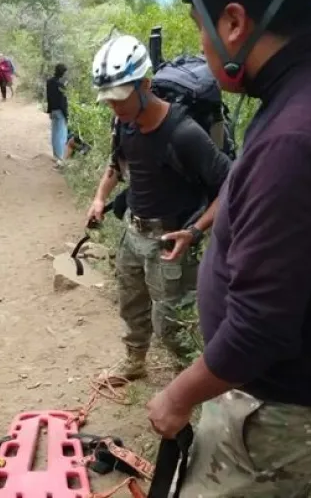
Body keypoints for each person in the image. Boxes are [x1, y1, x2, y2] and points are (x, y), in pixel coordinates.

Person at [144, 0, 311, 496]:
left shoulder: (299, 138)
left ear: (234, 23)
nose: (203, 50)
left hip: (279, 410)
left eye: (201, 29)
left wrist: (176, 397)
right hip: (292, 390)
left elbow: (261, 327)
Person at [86, 34, 232, 387]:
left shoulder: (183, 133)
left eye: (120, 98)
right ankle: (134, 362)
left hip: (171, 242)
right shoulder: (124, 123)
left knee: (172, 324)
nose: (115, 108)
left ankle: (193, 385)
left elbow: (231, 185)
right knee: (131, 305)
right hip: (133, 233)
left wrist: (196, 230)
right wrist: (99, 199)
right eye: (109, 100)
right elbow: (116, 166)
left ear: (145, 85)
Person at [45, 63, 69, 166]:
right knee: (61, 135)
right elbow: (63, 102)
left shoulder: (49, 82)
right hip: (60, 111)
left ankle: (56, 155)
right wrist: (66, 114)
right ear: (63, 73)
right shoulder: (60, 85)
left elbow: (48, 97)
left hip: (53, 110)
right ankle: (60, 158)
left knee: (55, 134)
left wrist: (49, 111)